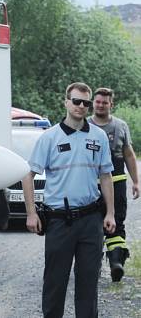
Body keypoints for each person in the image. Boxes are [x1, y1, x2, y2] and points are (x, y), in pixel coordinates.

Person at [23, 82, 116, 318]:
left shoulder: (99, 137)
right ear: (66, 102)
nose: (81, 107)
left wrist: (110, 213)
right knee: (55, 282)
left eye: (86, 103)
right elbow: (28, 175)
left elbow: (106, 176)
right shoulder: (49, 138)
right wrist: (31, 213)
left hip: (90, 220)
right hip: (58, 222)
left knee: (88, 284)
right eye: (76, 101)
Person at [89, 87, 139, 282]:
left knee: (116, 222)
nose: (101, 105)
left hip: (116, 183)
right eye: (98, 101)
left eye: (105, 102)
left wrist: (136, 181)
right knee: (89, 225)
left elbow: (128, 154)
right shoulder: (84, 125)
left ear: (111, 104)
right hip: (89, 185)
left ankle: (116, 262)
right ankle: (90, 265)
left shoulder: (120, 126)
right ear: (93, 103)